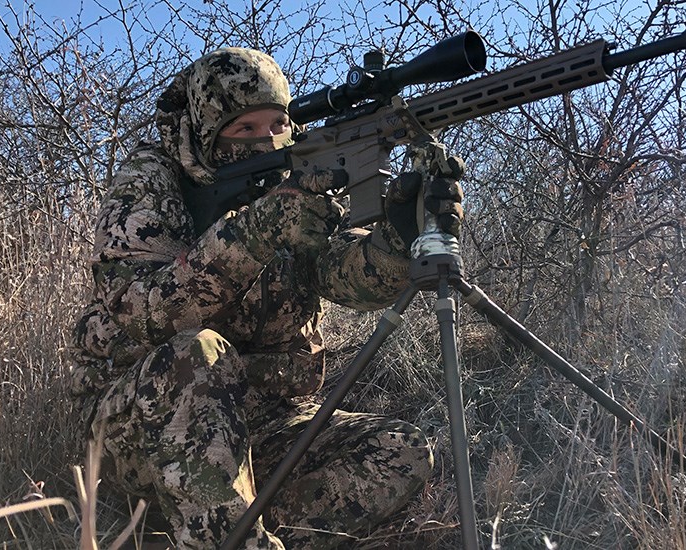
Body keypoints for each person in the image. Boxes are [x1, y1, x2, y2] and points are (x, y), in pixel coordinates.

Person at [71, 47, 464, 549]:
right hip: (142, 424)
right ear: (209, 134)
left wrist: (398, 241)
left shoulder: (295, 184)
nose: (267, 142)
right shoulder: (150, 182)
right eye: (244, 129)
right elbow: (143, 312)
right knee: (200, 354)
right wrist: (253, 234)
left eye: (278, 125)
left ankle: (222, 526)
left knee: (401, 452)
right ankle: (215, 526)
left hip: (261, 420)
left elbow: (344, 275)